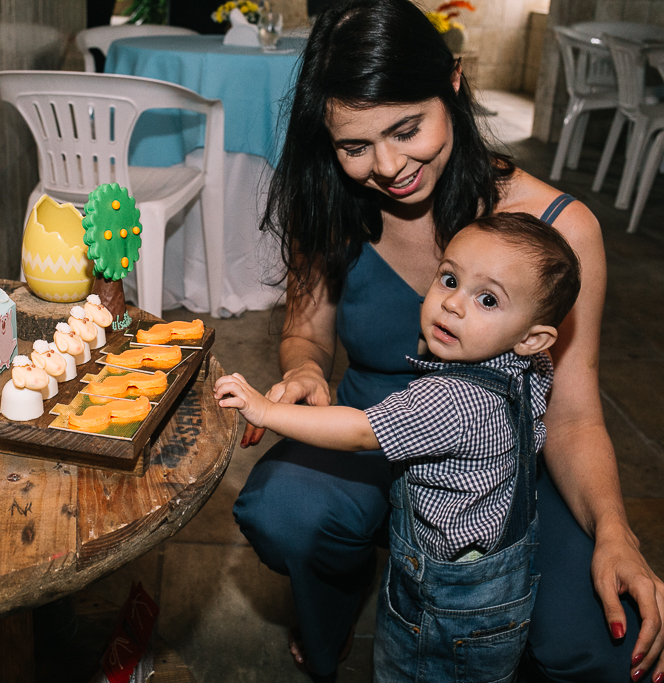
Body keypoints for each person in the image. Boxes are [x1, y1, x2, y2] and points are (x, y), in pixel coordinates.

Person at [231, 0, 664, 681]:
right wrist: (307, 370)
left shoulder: (558, 228)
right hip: (370, 432)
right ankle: (338, 590)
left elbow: (573, 416)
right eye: (355, 146)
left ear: (453, 83)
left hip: (496, 467)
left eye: (407, 128)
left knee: (606, 649)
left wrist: (615, 530)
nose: (388, 165)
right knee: (284, 511)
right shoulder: (332, 198)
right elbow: (305, 333)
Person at [218, 213, 579, 680]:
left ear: (532, 337)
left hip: (444, 596)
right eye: (449, 279)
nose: (453, 305)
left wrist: (265, 410)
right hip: (504, 579)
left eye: (487, 299)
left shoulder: (452, 400)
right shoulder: (532, 367)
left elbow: (359, 430)